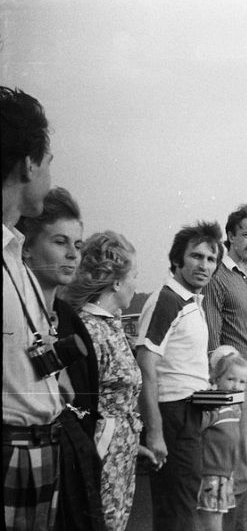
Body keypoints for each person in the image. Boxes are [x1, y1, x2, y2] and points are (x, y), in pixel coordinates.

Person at [17, 187, 107, 531]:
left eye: (78, 245)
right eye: (60, 242)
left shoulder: (71, 320)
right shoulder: (16, 320)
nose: (73, 254)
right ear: (25, 248)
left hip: (73, 468)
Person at [136, 221, 223, 531]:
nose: (204, 265)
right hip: (172, 415)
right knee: (177, 508)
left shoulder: (190, 301)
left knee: (183, 500)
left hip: (190, 412)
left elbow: (185, 366)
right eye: (196, 256)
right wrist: (155, 433)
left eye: (211, 259)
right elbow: (146, 365)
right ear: (177, 260)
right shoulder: (166, 300)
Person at [2, 86, 61, 531]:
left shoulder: (13, 252)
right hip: (11, 451)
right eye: (48, 163)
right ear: (27, 163)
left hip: (35, 451)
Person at [201, 205, 247, 531]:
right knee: (232, 468)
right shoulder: (218, 278)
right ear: (230, 235)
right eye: (246, 234)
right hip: (234, 384)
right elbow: (212, 342)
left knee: (244, 467)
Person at [62, 231, 141, 531]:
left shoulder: (110, 325)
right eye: (134, 275)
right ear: (117, 281)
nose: (136, 282)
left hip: (121, 450)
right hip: (102, 454)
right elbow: (78, 403)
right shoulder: (91, 330)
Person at [197, 346, 247, 531]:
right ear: (217, 378)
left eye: (242, 381)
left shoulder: (233, 407)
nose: (236, 386)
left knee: (219, 520)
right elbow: (196, 428)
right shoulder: (214, 406)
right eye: (230, 379)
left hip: (225, 475)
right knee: (212, 524)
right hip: (211, 475)